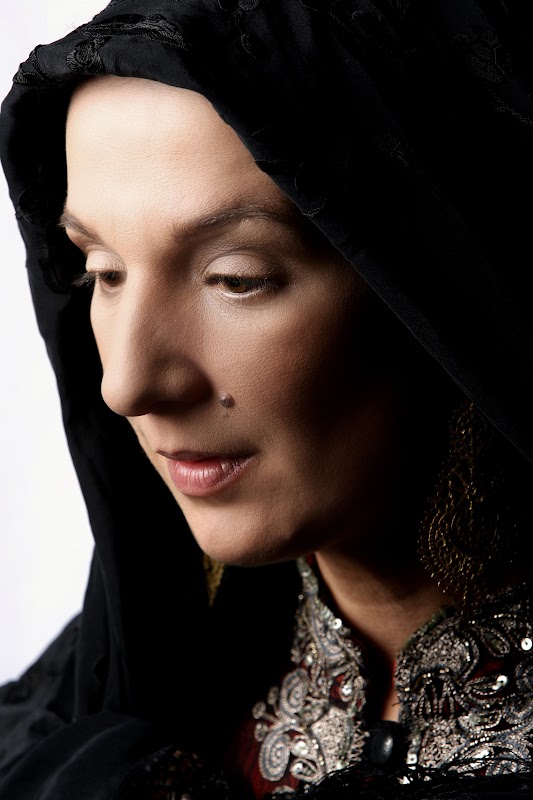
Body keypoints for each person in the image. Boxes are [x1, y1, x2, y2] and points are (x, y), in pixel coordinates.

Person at [1, 1, 533, 798]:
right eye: (103, 272)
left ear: (436, 289)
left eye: (235, 279)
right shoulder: (96, 718)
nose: (126, 385)